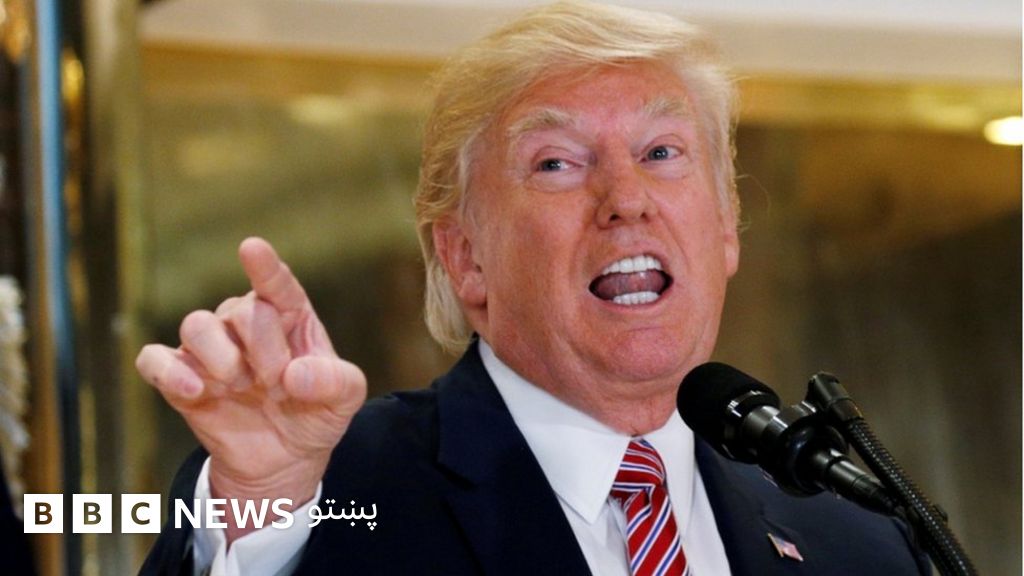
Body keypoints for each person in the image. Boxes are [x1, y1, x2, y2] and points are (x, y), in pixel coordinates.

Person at [136, 2, 930, 575]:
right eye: (557, 163)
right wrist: (264, 507)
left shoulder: (857, 539)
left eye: (661, 152)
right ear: (466, 258)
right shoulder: (337, 487)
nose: (626, 198)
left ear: (726, 227)